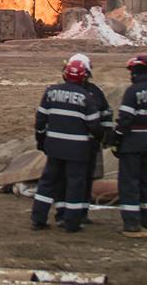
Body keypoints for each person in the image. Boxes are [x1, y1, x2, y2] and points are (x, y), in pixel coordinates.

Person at [31, 58, 102, 233]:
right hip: (78, 150)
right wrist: (98, 139)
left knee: (47, 183)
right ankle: (71, 223)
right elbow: (94, 125)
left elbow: (40, 121)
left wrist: (41, 141)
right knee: (75, 184)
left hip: (54, 147)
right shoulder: (86, 97)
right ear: (84, 76)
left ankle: (38, 218)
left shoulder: (50, 92)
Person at [112, 53, 147, 237]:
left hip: (131, 141)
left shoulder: (132, 92)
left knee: (129, 182)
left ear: (135, 72)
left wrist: (116, 139)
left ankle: (132, 224)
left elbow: (125, 120)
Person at [55, 53, 112, 225]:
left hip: (69, 145)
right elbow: (103, 117)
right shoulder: (93, 92)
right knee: (78, 180)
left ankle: (75, 213)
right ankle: (70, 215)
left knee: (76, 179)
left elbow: (105, 114)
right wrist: (104, 136)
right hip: (84, 145)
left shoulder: (58, 91)